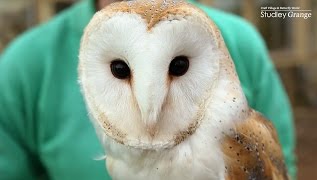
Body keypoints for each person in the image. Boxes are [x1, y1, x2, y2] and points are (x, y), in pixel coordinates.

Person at [0, 0, 296, 179]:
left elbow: (285, 168)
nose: (149, 110)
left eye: (179, 67)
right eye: (120, 70)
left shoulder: (242, 40)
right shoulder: (25, 63)